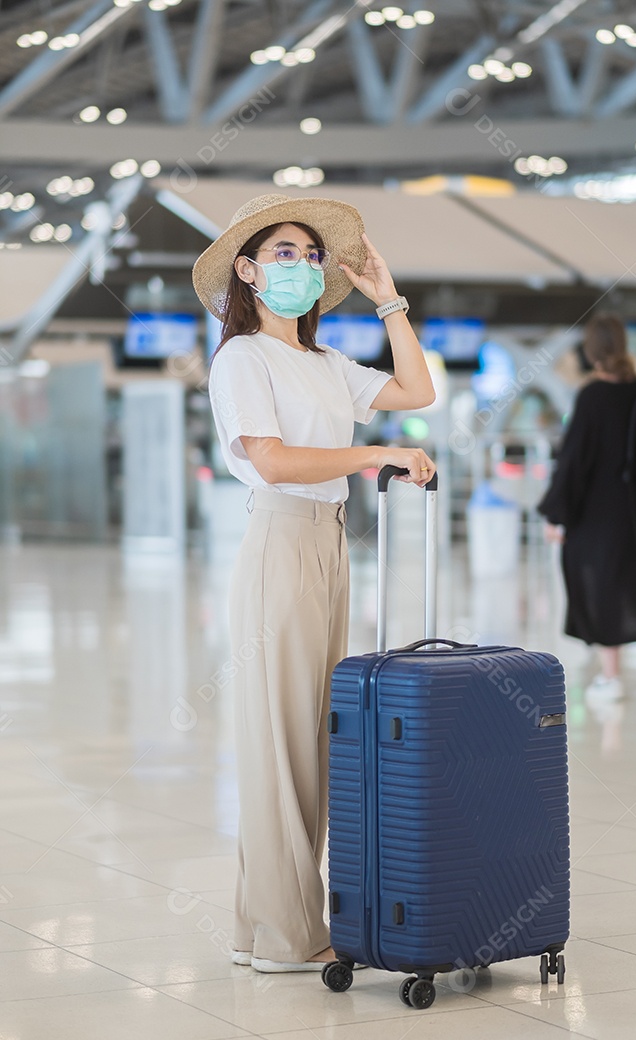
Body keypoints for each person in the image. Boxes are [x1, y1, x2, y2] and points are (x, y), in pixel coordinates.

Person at [192, 194, 436, 974]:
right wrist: (372, 457)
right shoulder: (242, 359)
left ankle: (255, 927)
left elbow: (416, 390)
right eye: (284, 253)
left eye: (310, 254)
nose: (301, 265)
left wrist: (389, 298)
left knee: (310, 742)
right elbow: (270, 460)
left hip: (328, 547)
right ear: (249, 270)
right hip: (281, 541)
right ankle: (292, 937)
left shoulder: (326, 365)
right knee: (281, 743)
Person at [538, 313, 636, 703]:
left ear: (591, 351)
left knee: (599, 582)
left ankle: (611, 677)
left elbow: (574, 461)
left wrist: (557, 514)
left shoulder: (592, 396)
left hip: (600, 512)